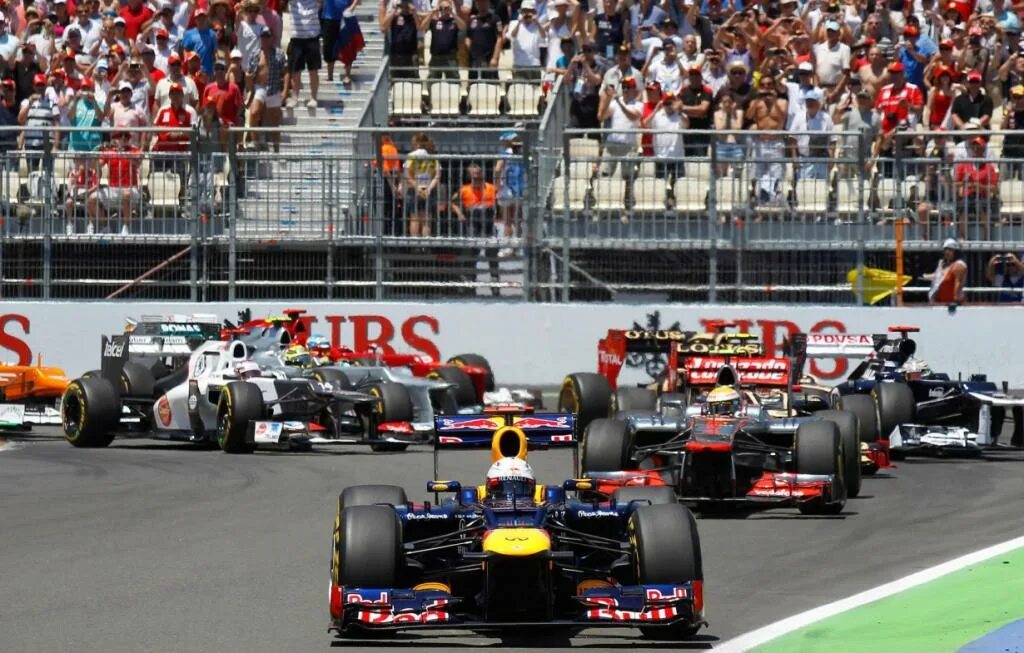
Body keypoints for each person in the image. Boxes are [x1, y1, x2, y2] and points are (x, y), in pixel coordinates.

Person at [246, 30, 287, 152]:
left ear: (271, 38)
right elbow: (249, 73)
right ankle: (255, 142)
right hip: (259, 87)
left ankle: (276, 148)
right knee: (254, 113)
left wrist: (285, 91)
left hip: (273, 88)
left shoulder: (279, 53)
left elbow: (286, 72)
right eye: (263, 37)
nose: (265, 39)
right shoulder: (255, 54)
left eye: (267, 36)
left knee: (274, 121)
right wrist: (249, 86)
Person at [97, 131, 143, 236]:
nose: (123, 139)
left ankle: (126, 226)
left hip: (130, 188)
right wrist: (97, 152)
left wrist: (125, 154)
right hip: (113, 189)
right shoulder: (109, 151)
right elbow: (97, 165)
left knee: (126, 194)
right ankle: (105, 227)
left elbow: (139, 161)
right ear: (114, 140)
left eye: (126, 137)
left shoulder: (133, 150)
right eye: (119, 137)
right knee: (92, 199)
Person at [954, 137, 999, 238]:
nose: (975, 149)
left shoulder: (988, 167)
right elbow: (956, 183)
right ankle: (963, 237)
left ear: (983, 149)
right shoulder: (964, 165)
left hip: (983, 196)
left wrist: (980, 187)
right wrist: (964, 182)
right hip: (967, 196)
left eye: (978, 147)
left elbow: (995, 189)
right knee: (962, 206)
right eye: (973, 146)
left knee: (980, 205)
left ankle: (987, 236)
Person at [597, 75, 641, 179]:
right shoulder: (614, 103)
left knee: (627, 177)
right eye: (624, 86)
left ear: (634, 89)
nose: (625, 89)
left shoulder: (638, 104)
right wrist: (607, 98)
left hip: (629, 146)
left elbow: (633, 116)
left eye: (628, 87)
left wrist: (620, 103)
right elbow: (601, 117)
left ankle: (628, 190)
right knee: (604, 175)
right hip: (612, 144)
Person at [283, 0, 322, 108]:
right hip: (297, 38)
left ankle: (314, 97)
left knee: (313, 70)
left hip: (312, 38)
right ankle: (295, 98)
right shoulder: (293, 2)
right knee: (295, 71)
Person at [493, 131, 525, 250]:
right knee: (518, 219)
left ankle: (508, 246)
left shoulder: (504, 154)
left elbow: (497, 169)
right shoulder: (522, 154)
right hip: (519, 189)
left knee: (507, 220)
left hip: (506, 188)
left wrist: (497, 184)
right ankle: (519, 245)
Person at [404, 132, 440, 237]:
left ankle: (415, 242)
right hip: (428, 189)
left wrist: (417, 187)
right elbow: (437, 176)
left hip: (414, 189)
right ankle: (426, 242)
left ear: (416, 143)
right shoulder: (432, 157)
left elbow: (407, 175)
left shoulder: (411, 156)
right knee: (427, 218)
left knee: (414, 217)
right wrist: (429, 188)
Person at [422, 0, 463, 80]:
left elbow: (463, 27)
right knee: (432, 81)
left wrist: (452, 13)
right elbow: (422, 27)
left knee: (453, 82)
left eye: (446, 8)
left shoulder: (454, 21)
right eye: (441, 8)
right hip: (435, 57)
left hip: (450, 58)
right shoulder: (434, 21)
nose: (443, 10)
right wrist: (432, 13)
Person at [380, 0, 418, 80]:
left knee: (413, 83)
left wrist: (414, 12)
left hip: (411, 55)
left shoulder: (414, 16)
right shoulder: (395, 16)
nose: (404, 7)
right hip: (396, 54)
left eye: (406, 5)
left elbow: (420, 27)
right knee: (395, 81)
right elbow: (383, 27)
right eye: (402, 5)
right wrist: (394, 10)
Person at [330, 0, 366, 87]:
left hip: (346, 17)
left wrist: (351, 8)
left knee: (348, 46)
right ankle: (330, 75)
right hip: (332, 17)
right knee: (330, 47)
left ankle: (347, 75)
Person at [924, 238, 967, 305]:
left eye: (950, 250)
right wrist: (924, 276)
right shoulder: (942, 264)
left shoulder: (959, 265)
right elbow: (939, 276)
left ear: (956, 252)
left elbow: (958, 283)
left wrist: (955, 301)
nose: (947, 252)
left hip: (951, 303)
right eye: (946, 249)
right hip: (938, 302)